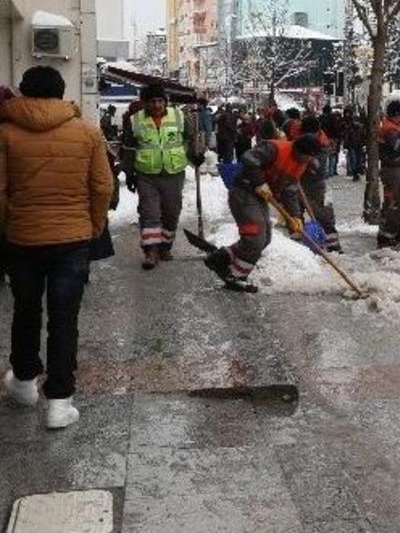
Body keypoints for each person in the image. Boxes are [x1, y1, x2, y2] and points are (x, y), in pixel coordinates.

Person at [0, 66, 113, 429]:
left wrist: (8, 227)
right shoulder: (87, 132)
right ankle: (60, 404)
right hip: (72, 240)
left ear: (23, 92)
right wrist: (93, 225)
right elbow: (102, 187)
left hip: (22, 239)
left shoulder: (5, 133)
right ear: (62, 92)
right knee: (64, 319)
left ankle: (23, 383)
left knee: (25, 310)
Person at [203, 134, 321, 291]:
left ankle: (219, 258)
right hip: (244, 191)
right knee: (255, 235)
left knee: (265, 238)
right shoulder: (275, 148)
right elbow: (248, 158)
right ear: (301, 151)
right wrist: (259, 182)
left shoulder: (300, 164)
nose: (310, 161)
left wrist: (295, 217)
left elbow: (290, 191)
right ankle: (236, 277)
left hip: (261, 197)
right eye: (309, 157)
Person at [121, 84, 201, 270]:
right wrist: (129, 173)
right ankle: (151, 251)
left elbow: (189, 140)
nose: (157, 105)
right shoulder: (135, 120)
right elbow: (129, 149)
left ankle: (165, 247)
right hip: (146, 175)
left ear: (165, 101)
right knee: (149, 213)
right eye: (152, 101)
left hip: (174, 174)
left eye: (160, 101)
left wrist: (195, 155)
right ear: (145, 103)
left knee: (171, 213)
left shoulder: (179, 117)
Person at [296, 116, 341, 252]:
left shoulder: (320, 144)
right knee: (296, 214)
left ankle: (332, 246)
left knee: (323, 215)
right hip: (299, 182)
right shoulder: (312, 139)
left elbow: (317, 168)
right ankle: (298, 246)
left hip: (315, 184)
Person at [377, 100, 400, 229]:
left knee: (395, 198)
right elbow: (398, 147)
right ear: (397, 114)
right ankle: (389, 228)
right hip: (393, 168)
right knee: (394, 199)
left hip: (396, 167)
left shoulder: (395, 126)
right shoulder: (390, 129)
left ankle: (393, 228)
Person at [343, 107, 366, 181]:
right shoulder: (350, 128)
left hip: (357, 145)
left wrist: (364, 144)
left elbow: (363, 136)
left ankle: (356, 172)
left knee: (357, 160)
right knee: (354, 160)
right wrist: (345, 146)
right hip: (353, 146)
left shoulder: (359, 128)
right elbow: (347, 137)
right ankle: (355, 173)